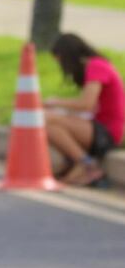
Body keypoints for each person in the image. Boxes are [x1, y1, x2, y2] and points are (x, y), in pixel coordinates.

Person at [44, 33, 124, 186]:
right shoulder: (95, 66)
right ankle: (73, 162)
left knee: (47, 122)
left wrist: (55, 102)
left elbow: (86, 103)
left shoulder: (96, 66)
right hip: (100, 126)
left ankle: (87, 165)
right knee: (50, 120)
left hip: (108, 131)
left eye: (61, 61)